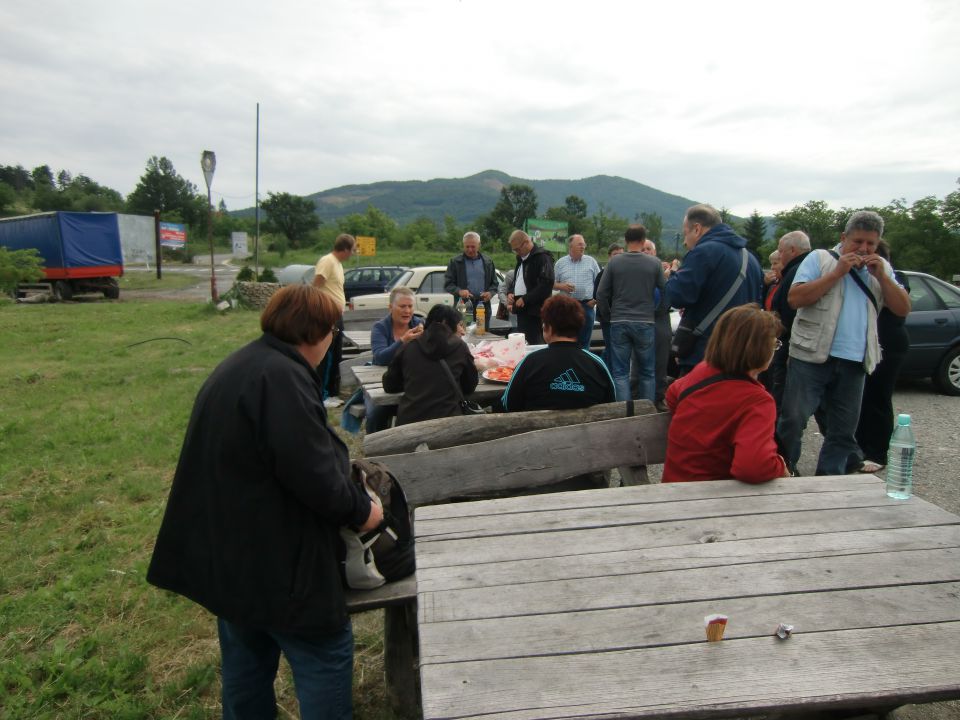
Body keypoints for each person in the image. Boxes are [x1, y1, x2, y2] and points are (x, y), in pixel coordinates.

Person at [147, 285, 383, 720]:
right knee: (325, 653)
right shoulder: (281, 379)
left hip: (231, 559)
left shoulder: (244, 364)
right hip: (279, 566)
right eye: (333, 330)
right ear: (316, 333)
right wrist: (365, 511)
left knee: (246, 659)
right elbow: (315, 476)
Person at [776, 210, 911, 476]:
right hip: (810, 356)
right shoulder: (819, 258)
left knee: (843, 431)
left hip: (855, 360)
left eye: (870, 244)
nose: (863, 249)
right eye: (857, 241)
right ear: (843, 238)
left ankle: (829, 482)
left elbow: (902, 308)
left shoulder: (881, 269)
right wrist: (837, 272)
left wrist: (883, 277)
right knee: (792, 421)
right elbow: (795, 298)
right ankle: (784, 472)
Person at [663, 303, 788, 483]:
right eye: (774, 344)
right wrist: (780, 465)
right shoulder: (757, 401)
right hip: (712, 499)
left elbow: (672, 395)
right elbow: (752, 467)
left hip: (673, 487)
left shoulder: (703, 371)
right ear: (760, 350)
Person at [664, 204, 763, 375]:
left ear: (697, 229)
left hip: (706, 353)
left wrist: (672, 275)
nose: (685, 241)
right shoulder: (751, 258)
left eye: (685, 233)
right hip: (740, 353)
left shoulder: (704, 252)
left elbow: (677, 296)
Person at [496, 294, 615, 412]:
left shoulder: (530, 362)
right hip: (588, 430)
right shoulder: (597, 364)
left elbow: (507, 405)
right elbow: (611, 406)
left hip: (538, 430)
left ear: (549, 328)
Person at [852, 240, 912, 473]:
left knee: (878, 397)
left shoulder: (895, 278)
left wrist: (881, 276)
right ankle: (859, 447)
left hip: (889, 344)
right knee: (861, 397)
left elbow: (902, 306)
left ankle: (877, 452)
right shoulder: (857, 277)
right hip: (864, 344)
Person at [595, 224, 664, 402]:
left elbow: (601, 294)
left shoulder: (615, 262)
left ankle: (623, 414)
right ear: (643, 241)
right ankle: (646, 412)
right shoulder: (655, 263)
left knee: (620, 373)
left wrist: (609, 316)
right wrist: (657, 311)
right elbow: (666, 291)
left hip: (619, 321)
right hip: (645, 321)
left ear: (625, 241)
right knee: (647, 372)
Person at [382, 304, 479, 425]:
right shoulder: (460, 347)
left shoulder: (408, 347)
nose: (463, 331)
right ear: (444, 322)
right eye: (460, 324)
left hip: (409, 427)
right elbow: (470, 386)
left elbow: (389, 385)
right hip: (449, 426)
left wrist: (415, 382)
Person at [365, 286, 424, 433]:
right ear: (391, 307)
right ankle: (375, 451)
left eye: (410, 306)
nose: (407, 311)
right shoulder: (380, 327)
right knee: (375, 414)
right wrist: (403, 341)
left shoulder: (420, 324)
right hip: (379, 383)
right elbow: (380, 358)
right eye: (402, 306)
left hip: (410, 382)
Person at [767, 230, 812, 414]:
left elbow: (791, 311)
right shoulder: (801, 269)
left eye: (781, 251)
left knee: (784, 398)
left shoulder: (798, 271)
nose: (780, 255)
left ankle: (781, 438)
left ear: (792, 250)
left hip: (789, 343)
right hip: (792, 342)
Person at [313, 233, 356, 407]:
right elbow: (316, 285)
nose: (353, 253)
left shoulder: (337, 264)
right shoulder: (327, 261)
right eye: (352, 250)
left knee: (336, 354)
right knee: (327, 354)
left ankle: (331, 392)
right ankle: (322, 395)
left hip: (337, 315)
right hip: (327, 315)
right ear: (344, 249)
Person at [506, 229, 555, 345]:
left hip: (536, 312)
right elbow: (519, 280)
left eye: (518, 249)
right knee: (524, 344)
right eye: (514, 250)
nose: (517, 252)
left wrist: (525, 298)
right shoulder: (521, 259)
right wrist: (511, 293)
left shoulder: (542, 257)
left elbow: (546, 284)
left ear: (527, 242)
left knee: (535, 344)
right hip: (523, 311)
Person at [641, 238, 673, 411]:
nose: (645, 251)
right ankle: (639, 401)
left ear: (654, 253)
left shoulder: (663, 274)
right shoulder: (635, 272)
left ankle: (659, 398)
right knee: (639, 366)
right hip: (640, 321)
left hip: (660, 321)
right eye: (642, 249)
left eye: (648, 249)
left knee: (660, 363)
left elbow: (668, 300)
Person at [443, 231, 498, 332]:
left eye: (473, 246)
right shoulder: (455, 262)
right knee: (463, 336)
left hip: (483, 308)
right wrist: (459, 291)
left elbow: (495, 284)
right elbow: (448, 284)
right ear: (463, 245)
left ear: (479, 245)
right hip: (462, 308)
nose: (470, 250)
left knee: (482, 337)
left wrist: (490, 293)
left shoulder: (488, 262)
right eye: (467, 247)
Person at [553, 234, 600, 349]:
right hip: (566, 307)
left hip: (586, 306)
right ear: (570, 246)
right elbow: (552, 284)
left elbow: (600, 283)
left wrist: (594, 300)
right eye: (579, 244)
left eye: (584, 244)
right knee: (566, 340)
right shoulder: (560, 263)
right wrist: (562, 286)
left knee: (584, 342)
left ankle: (582, 365)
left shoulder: (591, 262)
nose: (583, 247)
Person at [593, 243, 624, 370]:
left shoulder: (625, 274)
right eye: (615, 255)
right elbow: (597, 295)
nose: (618, 258)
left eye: (621, 255)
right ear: (609, 256)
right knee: (612, 348)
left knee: (616, 349)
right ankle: (609, 374)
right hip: (608, 318)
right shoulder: (603, 274)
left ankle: (601, 368)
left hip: (622, 317)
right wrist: (608, 316)